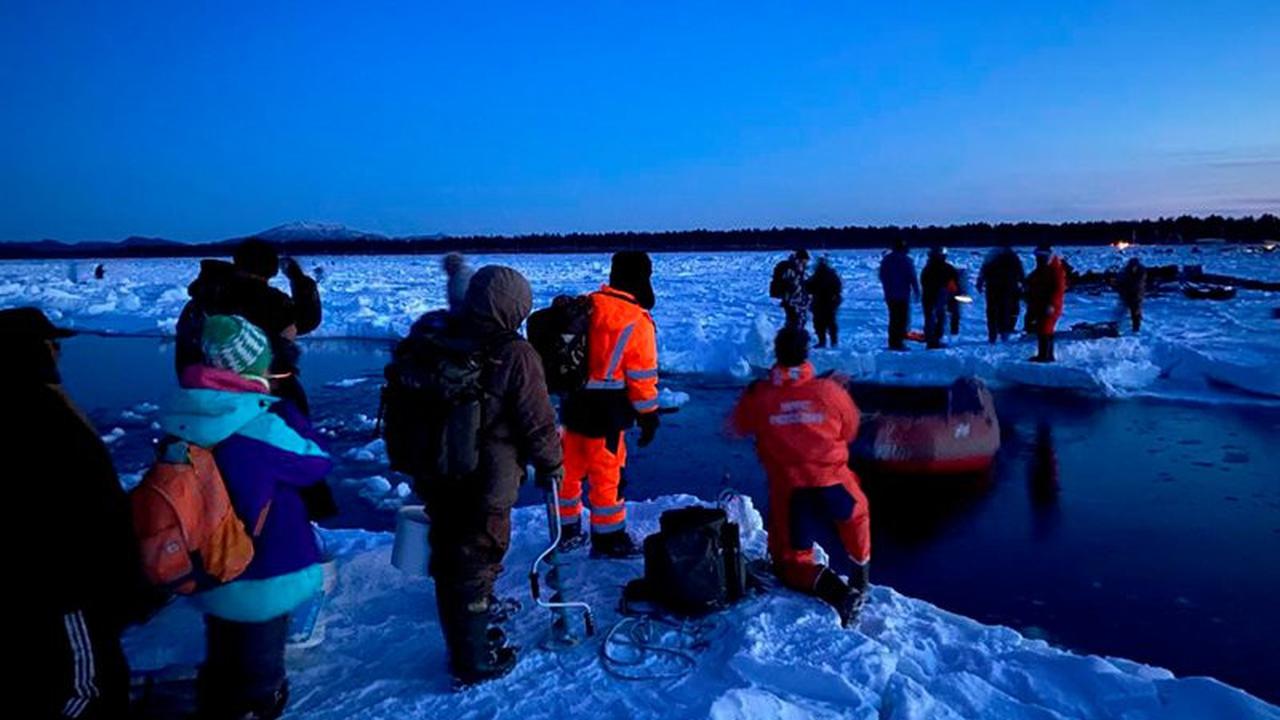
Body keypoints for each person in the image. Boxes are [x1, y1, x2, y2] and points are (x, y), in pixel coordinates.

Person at [160, 315, 333, 719]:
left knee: (222, 651)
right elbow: (315, 463)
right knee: (259, 665)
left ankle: (217, 699)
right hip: (264, 567)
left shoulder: (184, 416)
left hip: (207, 561)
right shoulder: (261, 424)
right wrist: (287, 414)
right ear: (252, 367)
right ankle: (257, 702)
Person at [398, 266, 564, 685]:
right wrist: (552, 464)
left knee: (451, 549)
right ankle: (474, 659)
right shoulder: (513, 352)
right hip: (486, 477)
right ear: (513, 307)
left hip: (437, 471)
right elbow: (537, 421)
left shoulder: (440, 337)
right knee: (476, 556)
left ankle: (473, 617)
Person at [5, 308, 150, 719]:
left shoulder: (38, 405)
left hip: (73, 583)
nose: (58, 354)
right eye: (50, 346)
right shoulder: (39, 415)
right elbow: (77, 506)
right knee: (90, 688)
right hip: (68, 587)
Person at [730, 327, 871, 627]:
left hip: (793, 492)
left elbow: (737, 426)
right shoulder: (830, 392)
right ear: (806, 354)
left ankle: (839, 593)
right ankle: (861, 578)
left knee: (792, 562)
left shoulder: (761, 395)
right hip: (836, 484)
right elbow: (851, 429)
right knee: (857, 520)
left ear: (776, 354)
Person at [559, 251, 661, 558]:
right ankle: (609, 539)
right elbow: (641, 379)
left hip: (573, 406)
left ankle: (568, 530)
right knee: (607, 478)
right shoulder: (636, 320)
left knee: (569, 471)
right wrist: (649, 417)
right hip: (607, 415)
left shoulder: (586, 305)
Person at [175, 238, 322, 416]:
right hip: (263, 397)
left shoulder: (199, 301)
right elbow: (307, 319)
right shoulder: (271, 302)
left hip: (204, 395)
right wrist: (298, 279)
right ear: (271, 269)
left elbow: (185, 354)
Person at [1025, 244, 1068, 363]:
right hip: (1041, 303)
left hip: (1051, 305)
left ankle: (1045, 356)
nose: (1038, 259)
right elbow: (1033, 278)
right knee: (1042, 329)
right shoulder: (1043, 268)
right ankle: (1045, 355)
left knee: (1045, 329)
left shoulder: (1056, 269)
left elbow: (1059, 289)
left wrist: (1052, 304)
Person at [977, 244, 1026, 343]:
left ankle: (995, 335)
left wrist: (980, 282)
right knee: (1004, 311)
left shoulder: (993, 254)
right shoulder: (1011, 256)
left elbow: (983, 270)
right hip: (1005, 287)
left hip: (998, 287)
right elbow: (1020, 272)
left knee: (995, 311)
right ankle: (1001, 334)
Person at [878, 239, 919, 350]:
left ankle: (893, 342)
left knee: (893, 319)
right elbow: (912, 277)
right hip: (902, 295)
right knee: (902, 320)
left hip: (890, 295)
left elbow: (881, 276)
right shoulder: (906, 260)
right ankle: (899, 343)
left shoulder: (886, 260)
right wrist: (916, 291)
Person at [920, 246, 960, 349]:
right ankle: (934, 339)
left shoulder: (929, 268)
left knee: (934, 318)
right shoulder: (946, 268)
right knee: (937, 317)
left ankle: (933, 339)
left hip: (934, 296)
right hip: (936, 296)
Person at [805, 256, 843, 348]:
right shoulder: (832, 275)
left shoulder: (818, 276)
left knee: (820, 324)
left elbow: (808, 288)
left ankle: (823, 341)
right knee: (830, 323)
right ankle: (833, 342)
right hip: (829, 304)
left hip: (821, 304)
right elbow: (838, 288)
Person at [770, 249, 811, 330]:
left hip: (800, 301)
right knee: (794, 321)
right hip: (792, 301)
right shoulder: (790, 270)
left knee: (799, 321)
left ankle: (794, 337)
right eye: (804, 260)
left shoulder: (800, 269)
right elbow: (790, 285)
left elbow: (803, 284)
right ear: (799, 259)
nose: (806, 263)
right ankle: (790, 338)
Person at [1115, 257, 1147, 333]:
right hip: (1126, 295)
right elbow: (1121, 281)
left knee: (1135, 313)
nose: (1133, 268)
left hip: (1136, 296)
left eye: (1134, 266)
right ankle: (1117, 327)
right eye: (1132, 266)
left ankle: (1136, 329)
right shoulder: (1126, 271)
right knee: (1121, 311)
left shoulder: (1141, 274)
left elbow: (1137, 285)